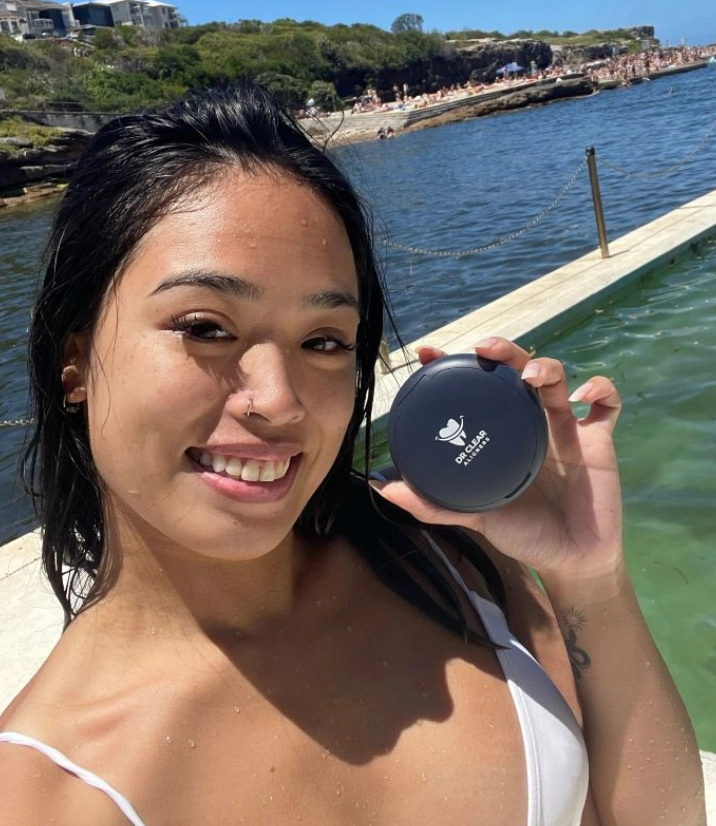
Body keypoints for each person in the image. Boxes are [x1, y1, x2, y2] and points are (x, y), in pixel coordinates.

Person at [0, 82, 705, 826]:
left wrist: (588, 576)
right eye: (205, 327)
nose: (279, 400)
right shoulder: (46, 794)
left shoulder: (437, 551)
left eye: (324, 340)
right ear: (73, 362)